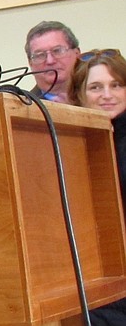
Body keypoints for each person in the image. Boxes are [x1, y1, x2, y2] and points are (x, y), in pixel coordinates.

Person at [69, 49, 126, 325]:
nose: (107, 95)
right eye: (96, 87)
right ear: (79, 94)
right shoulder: (67, 147)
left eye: (116, 85)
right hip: (92, 280)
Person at [24, 20, 82, 103]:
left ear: (77, 54)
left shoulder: (98, 100)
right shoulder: (24, 109)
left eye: (57, 51)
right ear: (30, 63)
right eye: (40, 55)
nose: (50, 61)